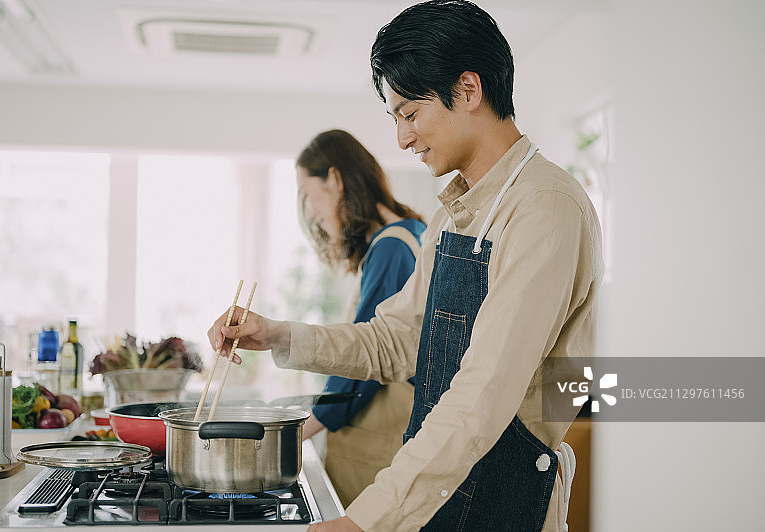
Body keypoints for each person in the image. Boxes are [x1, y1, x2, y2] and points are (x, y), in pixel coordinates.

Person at [209, 1, 603, 530]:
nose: (402, 138)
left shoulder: (545, 208)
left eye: (410, 114)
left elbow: (483, 394)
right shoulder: (454, 214)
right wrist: (278, 335)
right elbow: (395, 341)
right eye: (395, 117)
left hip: (504, 503)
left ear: (468, 90)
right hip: (441, 498)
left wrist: (364, 520)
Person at [294, 129, 426, 507]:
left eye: (308, 194)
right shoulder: (411, 231)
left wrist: (298, 430)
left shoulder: (390, 248)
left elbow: (365, 361)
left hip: (377, 449)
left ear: (335, 180)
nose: (312, 212)